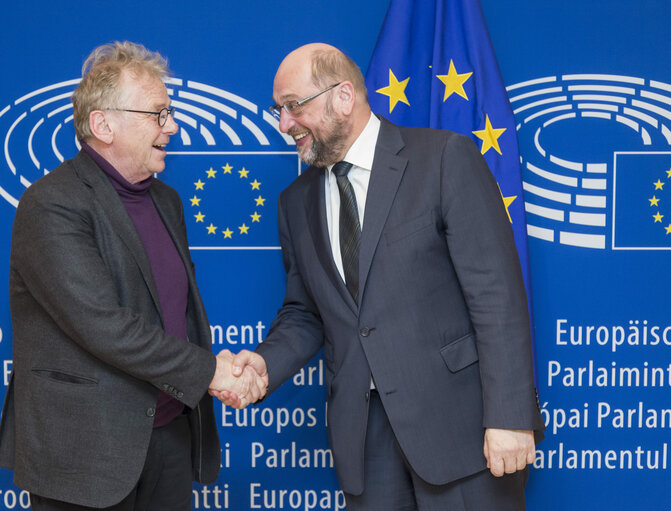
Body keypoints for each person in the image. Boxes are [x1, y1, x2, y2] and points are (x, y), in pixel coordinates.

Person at [214, 43, 544, 510]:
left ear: (343, 96)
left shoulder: (445, 159)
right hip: (365, 446)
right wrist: (265, 366)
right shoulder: (295, 203)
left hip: (460, 433)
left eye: (293, 106)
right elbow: (306, 313)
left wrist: (510, 417)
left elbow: (497, 296)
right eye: (279, 111)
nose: (284, 124)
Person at [0, 41, 265, 511]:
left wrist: (219, 370)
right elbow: (102, 323)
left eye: (170, 113)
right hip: (86, 456)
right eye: (158, 114)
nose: (173, 126)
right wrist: (212, 372)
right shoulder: (51, 203)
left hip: (169, 438)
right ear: (103, 125)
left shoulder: (168, 202)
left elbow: (176, 313)